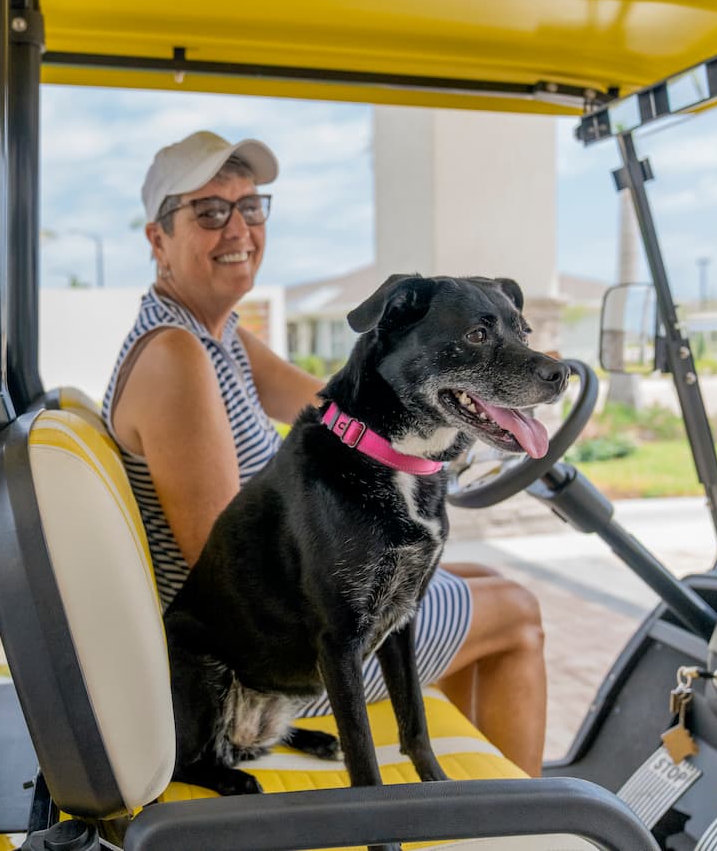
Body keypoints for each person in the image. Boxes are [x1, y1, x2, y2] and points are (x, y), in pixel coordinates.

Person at [101, 130, 547, 776]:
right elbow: (228, 567)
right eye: (209, 211)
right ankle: (511, 819)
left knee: (479, 580)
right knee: (518, 613)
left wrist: (478, 409)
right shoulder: (176, 358)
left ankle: (461, 784)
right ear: (157, 239)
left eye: (251, 207)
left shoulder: (218, 337)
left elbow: (349, 408)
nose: (239, 229)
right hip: (256, 660)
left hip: (296, 597)